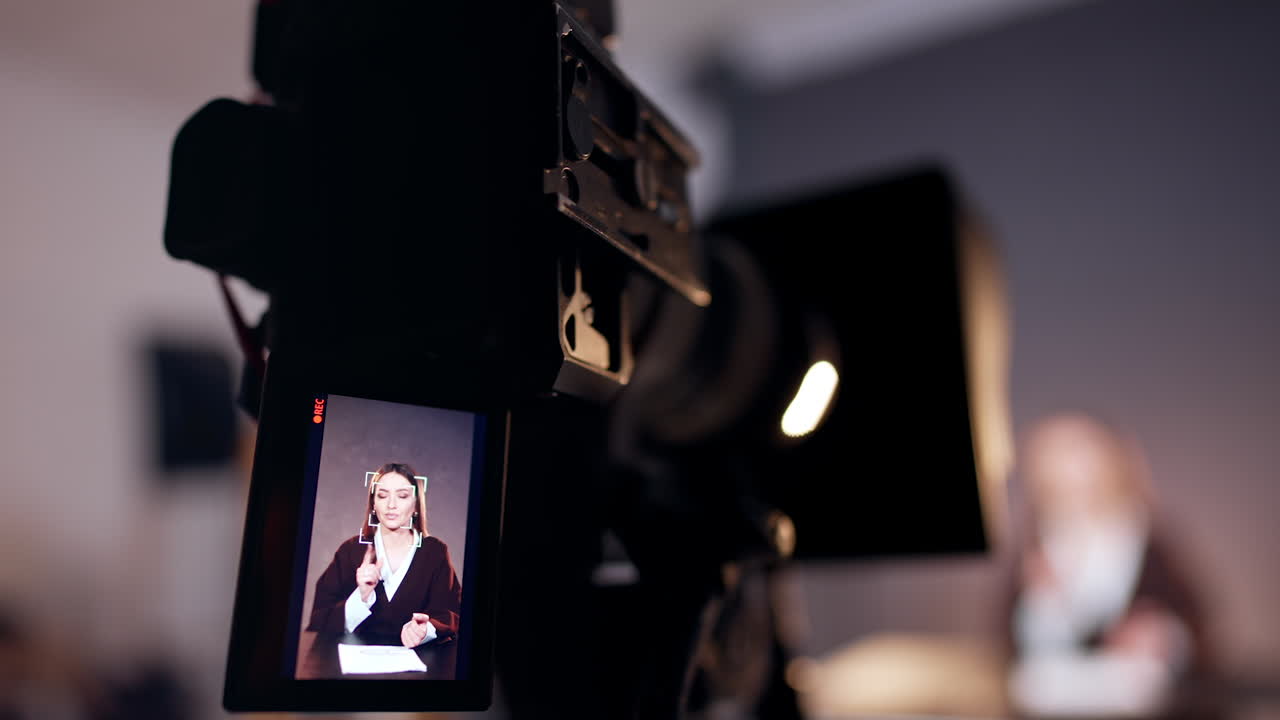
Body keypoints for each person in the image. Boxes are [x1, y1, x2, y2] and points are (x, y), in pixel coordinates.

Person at [1001, 413, 1217, 718]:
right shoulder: (1036, 542)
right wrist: (1040, 605)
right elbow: (1008, 637)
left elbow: (1196, 622)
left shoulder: (1146, 539)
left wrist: (1164, 634)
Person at [307, 462, 462, 647]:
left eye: (402, 496)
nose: (391, 505)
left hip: (418, 662)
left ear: (416, 504)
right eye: (382, 495)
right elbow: (320, 620)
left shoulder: (435, 552)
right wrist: (362, 597)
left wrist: (425, 630)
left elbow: (451, 615)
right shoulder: (350, 550)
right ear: (373, 503)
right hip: (356, 661)